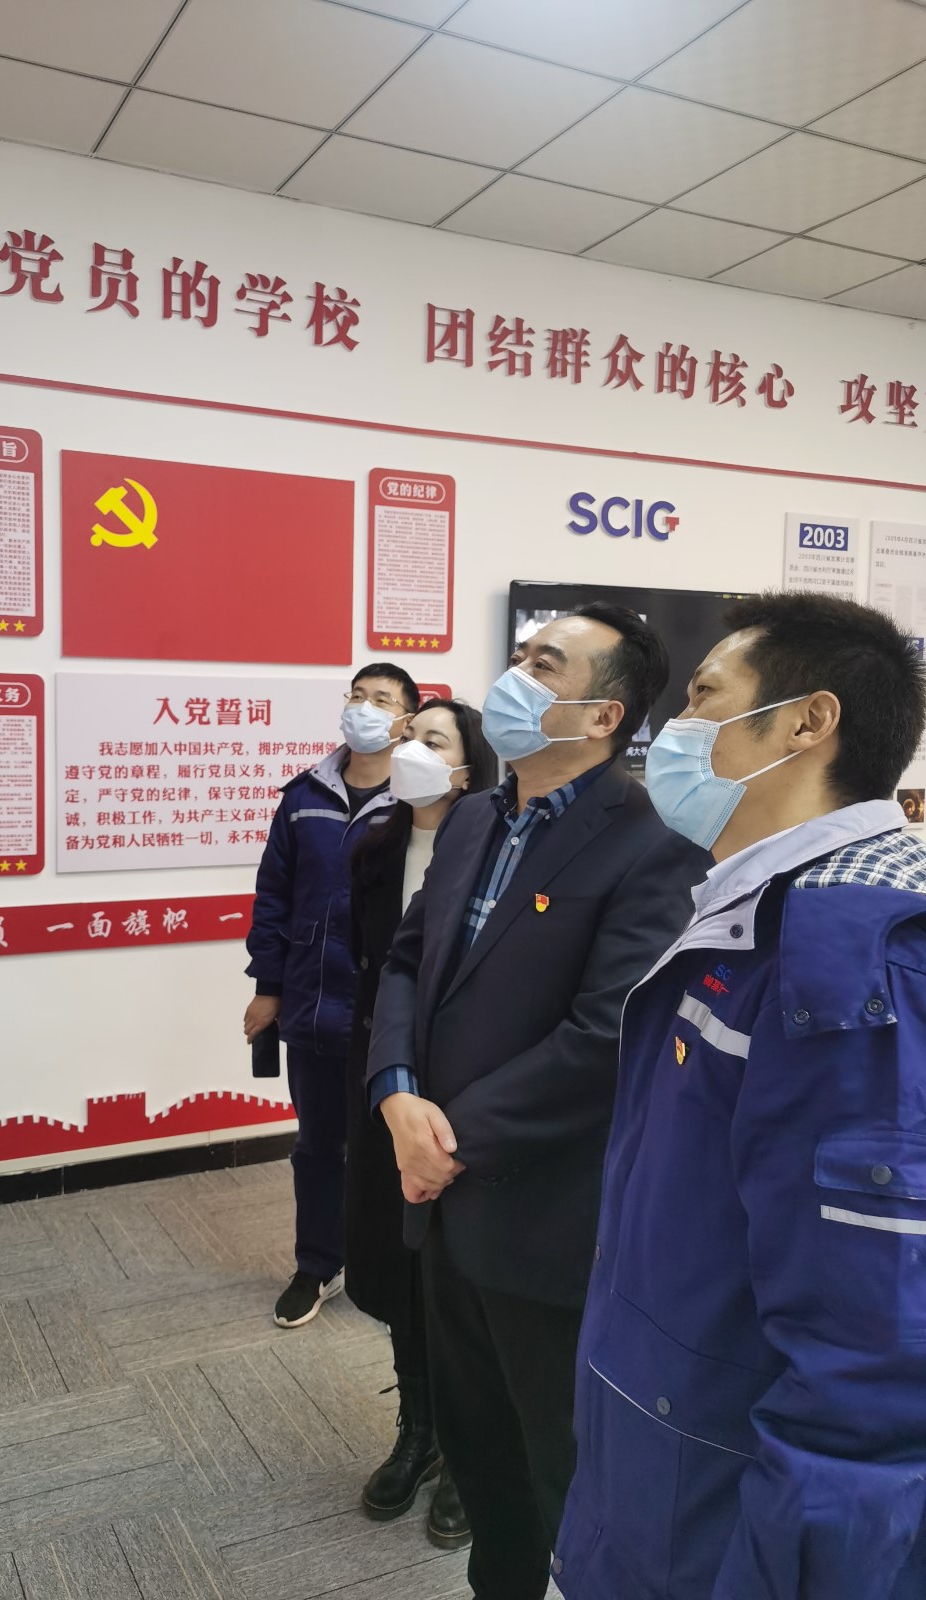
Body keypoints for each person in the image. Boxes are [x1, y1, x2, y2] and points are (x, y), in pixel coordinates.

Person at [554, 592, 926, 1600]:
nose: (675, 726)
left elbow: (872, 1370)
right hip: (665, 1461)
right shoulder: (757, 906)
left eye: (705, 695)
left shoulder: (854, 957)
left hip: (720, 1519)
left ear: (808, 721)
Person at [366, 604, 711, 1600]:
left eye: (545, 663)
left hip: (541, 1220)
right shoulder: (475, 817)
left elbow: (606, 1034)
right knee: (480, 1457)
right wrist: (396, 1094)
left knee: (555, 1467)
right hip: (437, 1199)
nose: (515, 674)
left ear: (603, 716)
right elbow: (406, 962)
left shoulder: (654, 841)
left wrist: (448, 1138)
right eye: (520, 654)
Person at [346, 699, 497, 1548]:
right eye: (409, 735)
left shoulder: (497, 850)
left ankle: (475, 1459)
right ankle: (420, 1430)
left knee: (468, 1278)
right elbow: (378, 969)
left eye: (431, 740)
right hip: (387, 1081)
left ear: (468, 770)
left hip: (467, 1094)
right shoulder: (375, 846)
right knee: (399, 1265)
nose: (407, 748)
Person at [245, 662, 420, 1329]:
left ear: (406, 719)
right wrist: (268, 988)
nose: (365, 708)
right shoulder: (303, 796)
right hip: (314, 1006)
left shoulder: (420, 799)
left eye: (382, 699)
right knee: (318, 1144)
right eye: (358, 695)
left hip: (388, 1010)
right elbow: (273, 896)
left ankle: (389, 1264)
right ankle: (317, 1263)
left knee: (390, 1146)